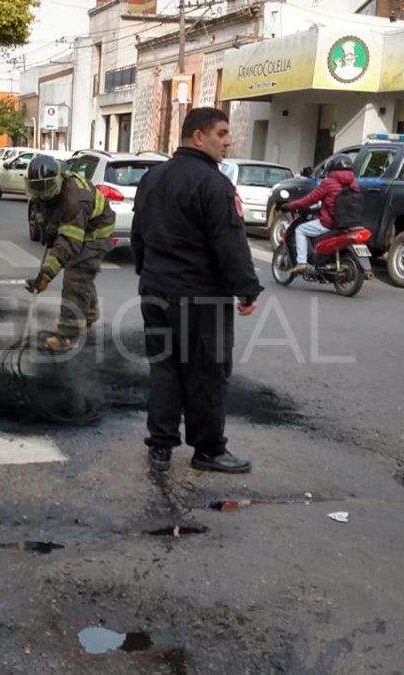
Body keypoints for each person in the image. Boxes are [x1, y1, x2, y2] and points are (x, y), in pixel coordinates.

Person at [130, 107, 263, 474]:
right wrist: (246, 289)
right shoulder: (214, 184)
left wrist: (148, 272)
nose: (228, 141)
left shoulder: (152, 179)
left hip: (156, 291)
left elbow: (138, 234)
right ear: (198, 137)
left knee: (165, 369)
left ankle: (160, 447)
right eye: (221, 133)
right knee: (206, 371)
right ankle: (208, 450)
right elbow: (230, 241)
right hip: (201, 297)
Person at [24, 154, 115, 353]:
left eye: (46, 189)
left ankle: (67, 336)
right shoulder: (44, 190)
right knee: (81, 276)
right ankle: (90, 313)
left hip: (96, 231)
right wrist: (47, 228)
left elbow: (68, 244)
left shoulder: (74, 199)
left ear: (58, 179)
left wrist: (46, 274)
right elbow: (42, 207)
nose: (42, 193)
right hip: (77, 224)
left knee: (76, 276)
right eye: (38, 190)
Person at [280, 154, 359, 274]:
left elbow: (309, 200)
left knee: (300, 230)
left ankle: (302, 262)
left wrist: (290, 205)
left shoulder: (328, 183)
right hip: (350, 223)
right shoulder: (354, 183)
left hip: (330, 223)